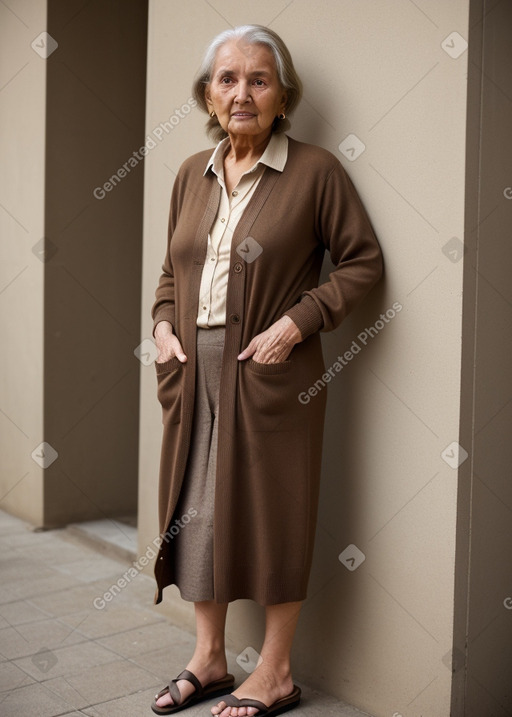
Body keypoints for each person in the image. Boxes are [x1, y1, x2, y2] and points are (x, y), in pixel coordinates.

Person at [150, 24, 383, 717]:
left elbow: (362, 261)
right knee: (195, 512)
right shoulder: (192, 172)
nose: (241, 92)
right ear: (208, 94)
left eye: (258, 79)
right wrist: (162, 325)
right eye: (227, 79)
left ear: (283, 96)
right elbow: (171, 270)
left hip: (270, 371)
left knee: (275, 513)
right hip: (194, 373)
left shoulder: (314, 171)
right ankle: (210, 658)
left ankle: (276, 671)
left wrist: (298, 322)